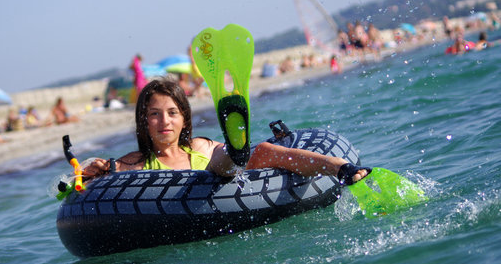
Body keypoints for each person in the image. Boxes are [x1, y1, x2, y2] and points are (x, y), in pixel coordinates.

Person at [83, 78, 369, 184]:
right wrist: (92, 168)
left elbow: (212, 154)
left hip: (216, 168)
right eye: (154, 115)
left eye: (172, 113)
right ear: (143, 122)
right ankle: (235, 151)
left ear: (184, 118)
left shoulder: (198, 146)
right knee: (222, 165)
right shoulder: (134, 162)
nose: (164, 122)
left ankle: (340, 168)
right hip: (181, 207)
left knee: (257, 153)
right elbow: (85, 177)